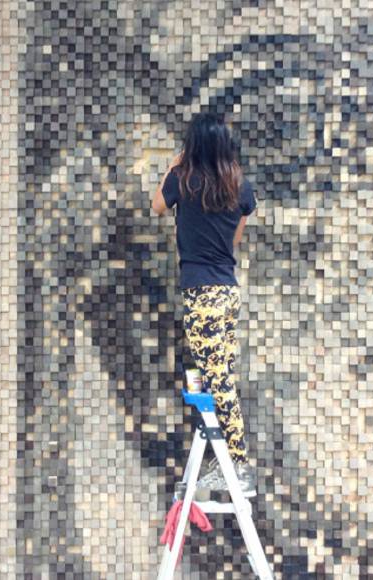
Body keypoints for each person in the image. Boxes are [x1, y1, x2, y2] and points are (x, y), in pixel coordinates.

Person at [151, 111, 258, 497]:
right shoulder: (238, 187)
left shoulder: (184, 179)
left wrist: (176, 164)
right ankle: (218, 457)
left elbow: (157, 206)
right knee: (206, 370)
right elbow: (234, 242)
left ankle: (239, 466)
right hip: (227, 291)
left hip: (202, 292)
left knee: (216, 380)